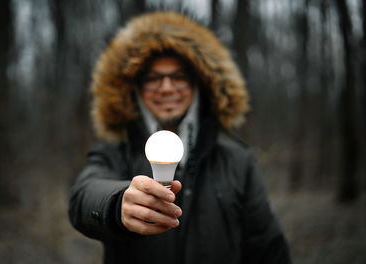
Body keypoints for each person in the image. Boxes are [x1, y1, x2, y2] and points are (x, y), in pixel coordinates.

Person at [68, 11, 291, 264]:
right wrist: (117, 204)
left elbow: (267, 247)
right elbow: (83, 197)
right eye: (153, 78)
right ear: (136, 89)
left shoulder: (238, 162)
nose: (166, 87)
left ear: (199, 85)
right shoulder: (113, 154)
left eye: (179, 77)